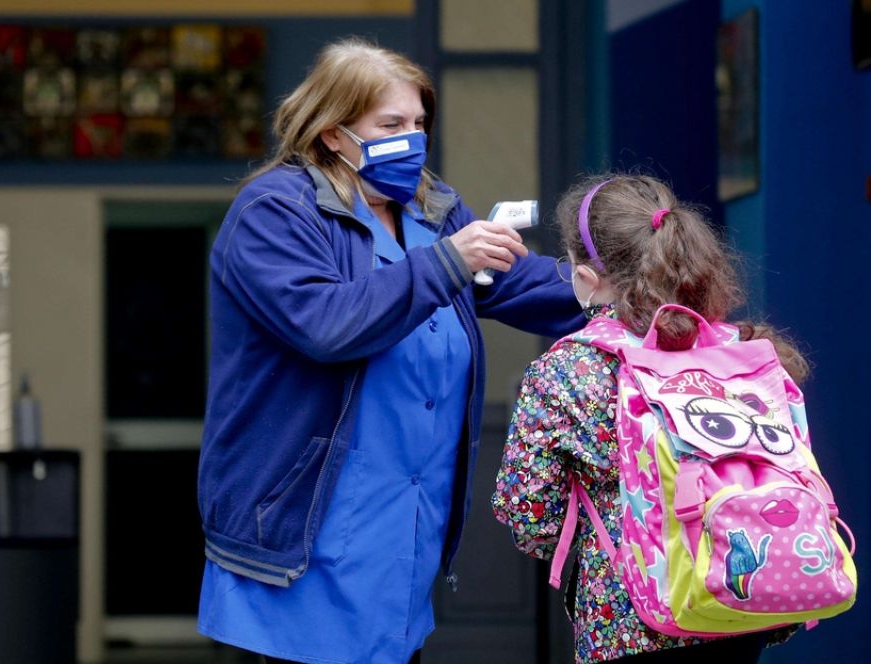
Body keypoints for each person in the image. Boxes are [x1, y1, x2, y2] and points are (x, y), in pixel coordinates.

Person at [196, 37, 584, 664]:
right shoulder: (274, 211)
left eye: (420, 123)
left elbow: (518, 283)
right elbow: (327, 324)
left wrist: (626, 294)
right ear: (332, 132)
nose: (413, 139)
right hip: (301, 543)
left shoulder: (430, 208)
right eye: (392, 124)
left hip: (401, 538)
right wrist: (447, 263)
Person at [491, 173, 807, 663]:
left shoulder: (567, 370)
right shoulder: (741, 351)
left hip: (630, 618)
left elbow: (530, 517)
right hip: (741, 601)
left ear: (585, 279)